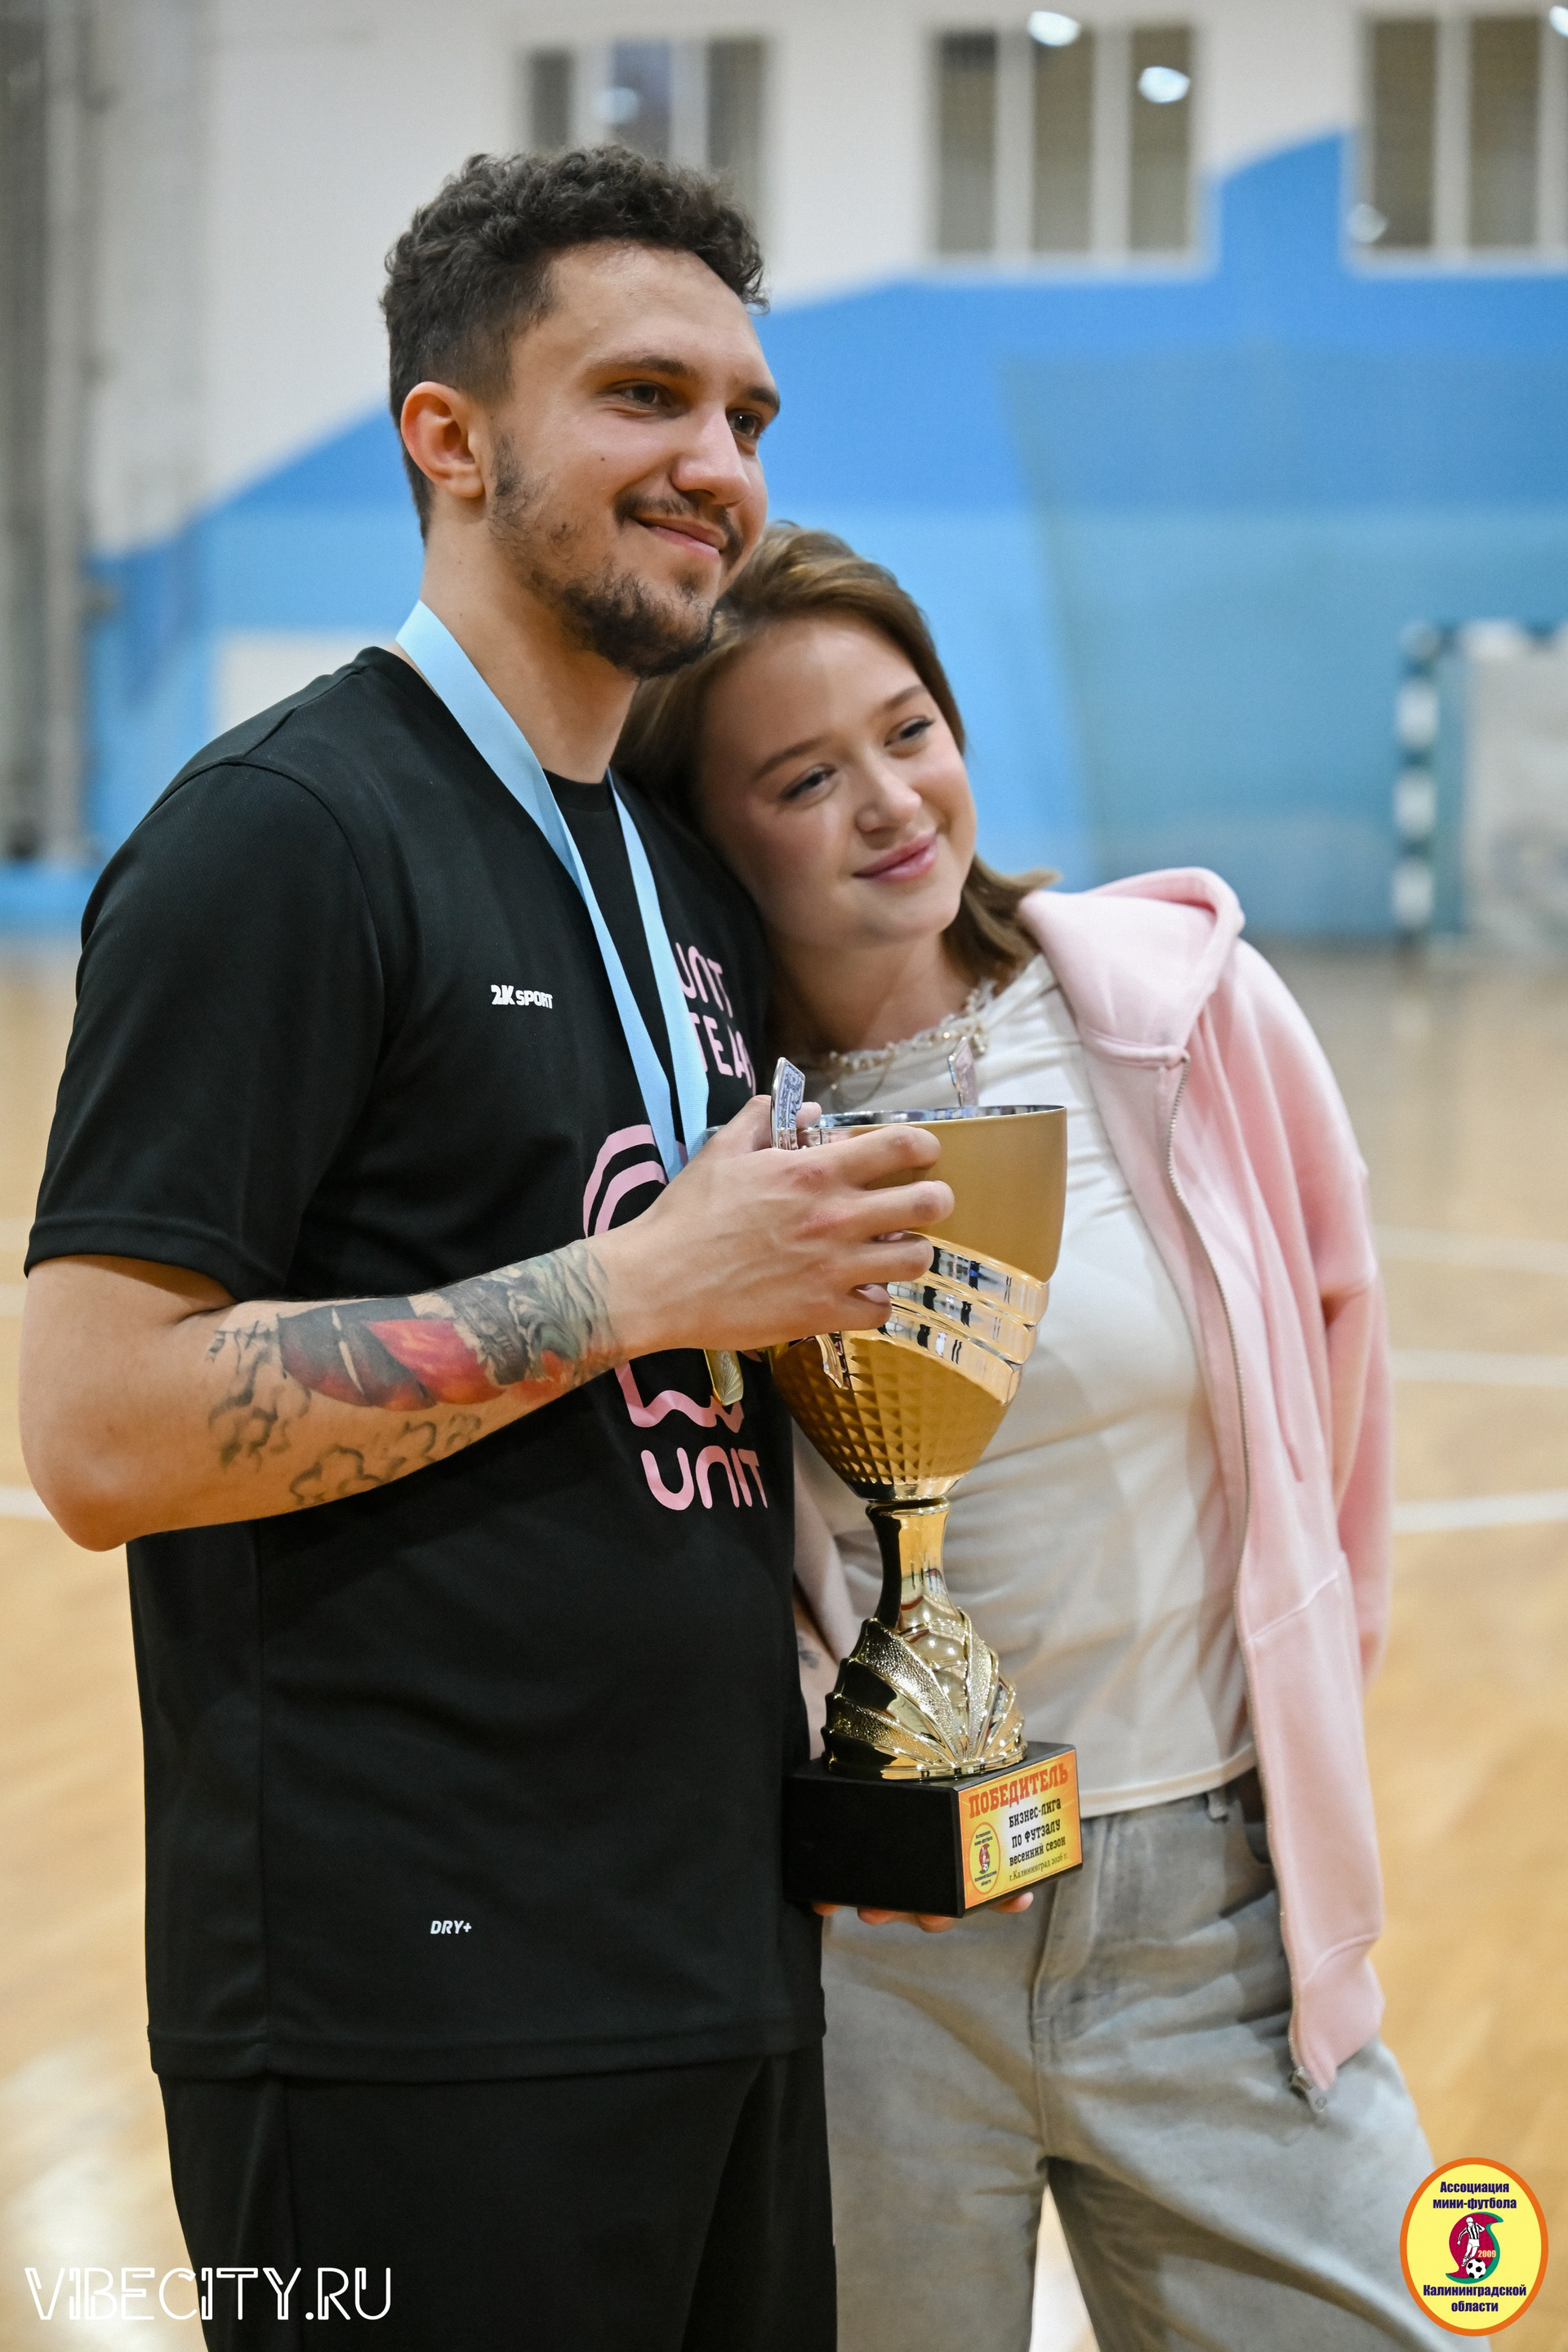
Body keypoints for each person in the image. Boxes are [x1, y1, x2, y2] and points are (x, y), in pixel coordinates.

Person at [19, 163, 960, 2352]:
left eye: (746, 415)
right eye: (645, 396)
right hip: (405, 2021)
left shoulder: (678, 872)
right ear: (450, 436)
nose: (716, 464)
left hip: (719, 1964)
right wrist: (636, 1290)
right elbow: (95, 1429)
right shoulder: (283, 837)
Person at [616, 525, 1449, 2351]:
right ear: (705, 840)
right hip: (869, 1959)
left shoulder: (1188, 1016)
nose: (888, 802)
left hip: (1211, 1918)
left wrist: (1298, 1726)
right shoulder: (701, 1152)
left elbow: (1337, 1387)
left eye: (909, 730)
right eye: (802, 779)